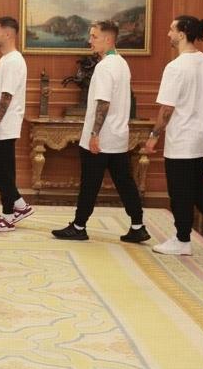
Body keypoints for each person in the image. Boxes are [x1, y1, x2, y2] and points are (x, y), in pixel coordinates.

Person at [52, 21, 149, 243]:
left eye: (94, 36)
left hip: (101, 138)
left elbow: (103, 103)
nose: (90, 41)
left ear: (108, 39)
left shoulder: (105, 67)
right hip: (118, 136)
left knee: (89, 183)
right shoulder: (122, 63)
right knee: (125, 182)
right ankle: (138, 225)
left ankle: (79, 227)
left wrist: (94, 134)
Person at [144, 16, 203, 256]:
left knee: (179, 191)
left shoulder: (175, 67)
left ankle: (182, 240)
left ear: (182, 34)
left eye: (171, 30)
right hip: (201, 137)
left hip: (182, 138)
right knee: (196, 185)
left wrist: (154, 136)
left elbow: (167, 109)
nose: (168, 34)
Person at [0, 16, 34, 232]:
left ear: (8, 34)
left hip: (3, 127)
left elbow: (6, 97)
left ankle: (8, 217)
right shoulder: (5, 59)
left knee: (3, 172)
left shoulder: (13, 61)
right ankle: (20, 205)